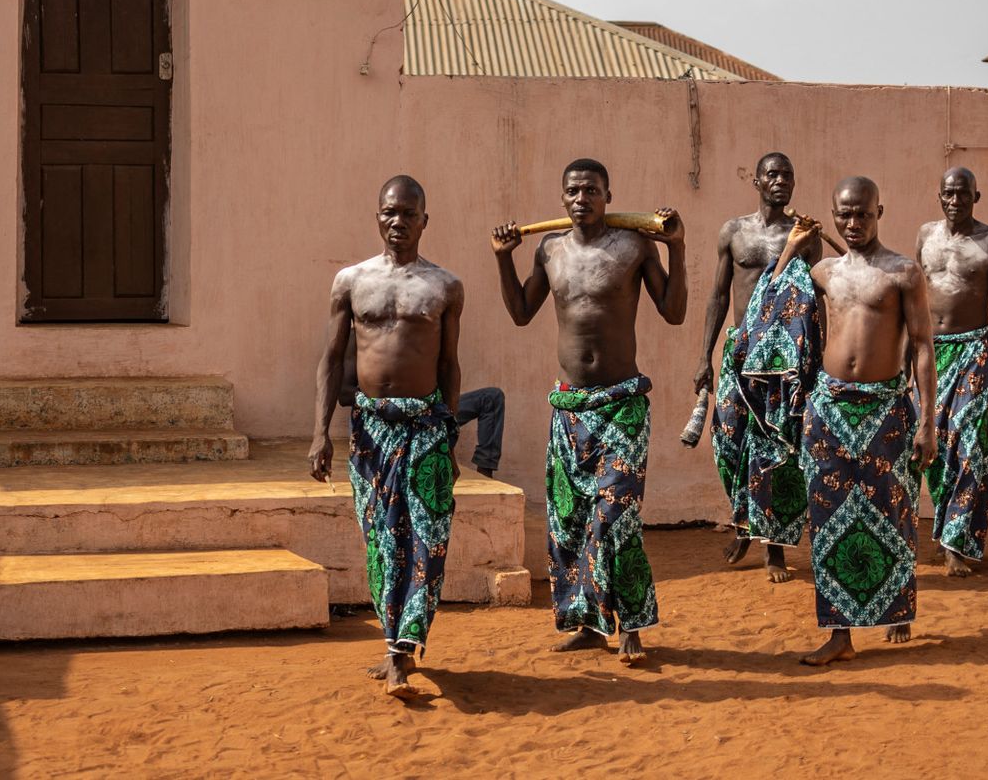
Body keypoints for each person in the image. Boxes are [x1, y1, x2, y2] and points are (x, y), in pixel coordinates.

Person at [491, 158, 685, 666]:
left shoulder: (634, 246)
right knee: (570, 522)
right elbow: (519, 313)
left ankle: (633, 626)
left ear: (608, 196)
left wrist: (678, 248)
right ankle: (589, 625)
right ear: (563, 198)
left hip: (622, 406)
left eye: (592, 190)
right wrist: (501, 258)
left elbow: (674, 310)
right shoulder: (548, 249)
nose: (582, 198)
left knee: (615, 519)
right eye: (574, 190)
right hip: (570, 409)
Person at [310, 175, 464, 698]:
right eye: (388, 213)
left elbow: (449, 364)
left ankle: (402, 647)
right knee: (381, 540)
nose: (397, 222)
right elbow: (332, 359)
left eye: (408, 213)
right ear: (377, 216)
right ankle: (394, 645)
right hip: (370, 429)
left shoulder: (444, 286)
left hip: (425, 427)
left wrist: (450, 433)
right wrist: (320, 433)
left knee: (426, 540)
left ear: (425, 220)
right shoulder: (351, 282)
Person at [787, 177, 936, 666]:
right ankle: (839, 635)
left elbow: (921, 347)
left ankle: (898, 609)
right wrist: (792, 250)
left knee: (893, 514)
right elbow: (775, 308)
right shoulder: (823, 271)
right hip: (829, 407)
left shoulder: (903, 273)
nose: (853, 224)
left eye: (863, 214)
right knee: (829, 520)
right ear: (834, 214)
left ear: (880, 211)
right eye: (844, 215)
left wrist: (928, 420)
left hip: (885, 409)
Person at [689, 151, 823, 582]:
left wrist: (814, 361)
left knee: (778, 451)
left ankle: (775, 549)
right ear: (758, 182)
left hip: (782, 363)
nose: (780, 180)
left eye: (788, 174)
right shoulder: (734, 231)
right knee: (728, 443)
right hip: (739, 353)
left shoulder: (803, 234)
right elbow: (717, 296)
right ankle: (745, 522)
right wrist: (704, 356)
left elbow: (812, 298)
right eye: (772, 174)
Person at [915, 167, 988, 576]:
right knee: (933, 448)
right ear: (939, 196)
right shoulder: (926, 236)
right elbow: (914, 298)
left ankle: (956, 544)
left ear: (977, 196)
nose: (955, 201)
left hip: (976, 352)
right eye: (948, 194)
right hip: (931, 353)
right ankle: (944, 534)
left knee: (970, 448)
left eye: (963, 194)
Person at [339, 346, 505, 478]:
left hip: (429, 411)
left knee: (492, 397)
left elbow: (446, 372)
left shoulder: (420, 331)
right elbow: (344, 394)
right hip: (390, 416)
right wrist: (390, 403)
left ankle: (485, 473)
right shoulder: (361, 337)